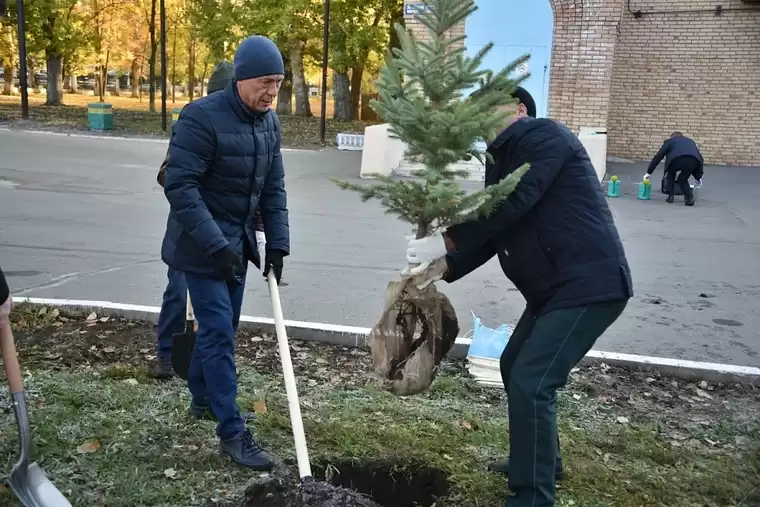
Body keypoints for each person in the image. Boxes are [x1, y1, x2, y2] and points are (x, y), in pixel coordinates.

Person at [403, 87, 633, 507]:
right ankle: (542, 462)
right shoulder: (502, 161)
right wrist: (443, 265)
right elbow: (496, 229)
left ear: (519, 108)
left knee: (533, 379)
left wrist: (446, 239)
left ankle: (532, 495)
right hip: (553, 291)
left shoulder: (544, 136)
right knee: (515, 366)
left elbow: (512, 203)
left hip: (589, 287)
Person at [160, 35, 289, 470]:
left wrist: (278, 243)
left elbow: (273, 187)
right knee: (217, 332)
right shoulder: (200, 118)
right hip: (200, 246)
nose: (273, 92)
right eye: (267, 82)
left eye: (279, 83)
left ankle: (201, 398)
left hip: (235, 245)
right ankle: (232, 430)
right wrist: (215, 245)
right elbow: (180, 185)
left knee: (223, 329)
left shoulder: (269, 122)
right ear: (244, 78)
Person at [151, 61, 266, 381]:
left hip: (228, 235)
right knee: (178, 290)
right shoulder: (197, 122)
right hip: (189, 231)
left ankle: (212, 365)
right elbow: (168, 174)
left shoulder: (251, 127)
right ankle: (165, 353)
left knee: (221, 309)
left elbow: (256, 186)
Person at [644, 131, 704, 206]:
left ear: (672, 137)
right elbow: (700, 158)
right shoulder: (690, 141)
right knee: (683, 179)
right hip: (693, 161)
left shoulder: (670, 141)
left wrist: (649, 172)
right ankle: (689, 198)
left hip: (676, 160)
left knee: (671, 174)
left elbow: (659, 156)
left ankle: (671, 197)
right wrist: (698, 176)